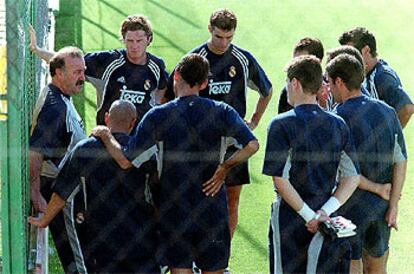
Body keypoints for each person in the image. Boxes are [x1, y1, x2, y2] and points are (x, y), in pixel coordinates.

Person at [92, 54, 259, 274]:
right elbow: (252, 145)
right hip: (212, 208)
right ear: (205, 83)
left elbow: (125, 161)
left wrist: (104, 134)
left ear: (176, 76)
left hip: (174, 209)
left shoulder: (157, 116)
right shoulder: (222, 111)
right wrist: (223, 169)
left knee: (180, 270)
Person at [167, 8, 272, 240]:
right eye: (218, 37)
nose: (223, 43)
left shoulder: (243, 60)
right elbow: (170, 93)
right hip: (199, 143)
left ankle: (221, 257)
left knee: (231, 201)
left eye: (229, 38)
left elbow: (267, 90)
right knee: (195, 200)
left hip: (234, 142)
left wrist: (253, 121)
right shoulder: (193, 59)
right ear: (209, 30)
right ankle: (194, 256)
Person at [29, 100, 159, 273]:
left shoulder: (85, 148)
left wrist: (44, 220)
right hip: (141, 241)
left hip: (101, 243)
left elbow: (61, 193)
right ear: (133, 122)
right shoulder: (143, 153)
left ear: (106, 118)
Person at [263, 55, 360, 273]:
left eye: (288, 82)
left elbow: (280, 179)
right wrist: (322, 213)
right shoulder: (338, 123)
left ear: (295, 82)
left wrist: (308, 215)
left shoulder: (280, 124)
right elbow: (352, 177)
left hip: (289, 216)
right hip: (325, 216)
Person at [326, 53, 407, 274]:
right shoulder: (387, 111)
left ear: (339, 82)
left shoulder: (337, 118)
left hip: (349, 207)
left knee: (351, 264)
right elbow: (401, 160)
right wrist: (393, 204)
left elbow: (343, 172)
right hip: (381, 208)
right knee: (378, 265)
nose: (329, 88)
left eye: (329, 82)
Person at [29, 14, 168, 125]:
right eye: (130, 41)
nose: (134, 46)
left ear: (148, 40)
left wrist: (154, 105)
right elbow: (67, 62)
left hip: (140, 138)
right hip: (107, 136)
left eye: (139, 41)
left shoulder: (157, 66)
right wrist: (37, 50)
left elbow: (163, 90)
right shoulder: (107, 61)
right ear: (123, 40)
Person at [29, 46, 87, 273]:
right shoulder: (55, 108)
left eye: (83, 71)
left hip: (69, 187)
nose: (82, 77)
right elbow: (35, 151)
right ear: (59, 73)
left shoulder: (61, 94)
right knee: (76, 257)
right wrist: (35, 192)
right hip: (60, 192)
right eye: (76, 72)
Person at [338, 27, 414, 128]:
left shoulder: (382, 76)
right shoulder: (367, 74)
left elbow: (407, 108)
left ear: (366, 50)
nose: (348, 61)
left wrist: (389, 135)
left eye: (352, 54)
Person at [278, 37, 326, 113]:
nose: (296, 65)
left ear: (318, 62)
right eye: (295, 61)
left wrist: (323, 103)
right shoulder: (289, 89)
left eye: (302, 61)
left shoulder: (333, 88)